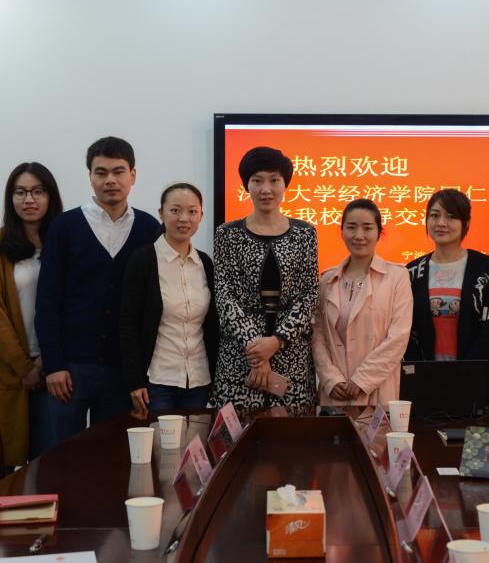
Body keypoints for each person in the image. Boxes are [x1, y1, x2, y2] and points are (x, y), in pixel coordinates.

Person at [35, 137, 160, 447]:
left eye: (118, 172)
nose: (110, 180)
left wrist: (141, 372)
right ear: (90, 176)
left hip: (123, 370)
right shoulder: (64, 226)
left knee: (113, 456)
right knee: (62, 457)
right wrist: (54, 364)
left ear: (133, 175)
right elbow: (47, 300)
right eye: (101, 172)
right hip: (71, 368)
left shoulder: (149, 228)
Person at [211, 146, 318, 409]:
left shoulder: (305, 234)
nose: (265, 189)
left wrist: (276, 341)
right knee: (238, 431)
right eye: (257, 180)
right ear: (247, 185)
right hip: (240, 358)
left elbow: (309, 295)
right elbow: (224, 295)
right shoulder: (227, 234)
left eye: (274, 180)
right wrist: (257, 351)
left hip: (290, 355)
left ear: (285, 184)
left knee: (290, 432)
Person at [0, 162, 63, 464]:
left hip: (54, 366)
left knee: (52, 461)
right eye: (20, 192)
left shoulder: (65, 241)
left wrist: (44, 360)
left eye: (38, 191)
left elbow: (72, 305)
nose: (29, 200)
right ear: (10, 198)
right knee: (6, 460)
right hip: (8, 368)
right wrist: (24, 367)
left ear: (50, 196)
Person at [119, 183, 219, 411]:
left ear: (201, 216)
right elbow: (128, 324)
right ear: (161, 214)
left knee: (195, 435)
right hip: (157, 380)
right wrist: (134, 381)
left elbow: (212, 325)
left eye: (192, 211)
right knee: (162, 436)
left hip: (198, 379)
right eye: (175, 210)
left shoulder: (204, 263)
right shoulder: (143, 260)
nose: (184, 218)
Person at [312, 199, 413, 406]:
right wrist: (330, 378)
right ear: (342, 231)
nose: (359, 235)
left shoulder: (397, 276)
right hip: (335, 393)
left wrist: (362, 380)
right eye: (351, 227)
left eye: (367, 228)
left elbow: (398, 337)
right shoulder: (327, 280)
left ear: (379, 232)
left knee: (376, 429)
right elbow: (318, 336)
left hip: (378, 390)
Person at [404, 188, 489, 363]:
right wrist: (422, 369)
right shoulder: (412, 271)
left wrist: (465, 370)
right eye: (434, 215)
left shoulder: (487, 268)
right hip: (424, 373)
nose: (441, 223)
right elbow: (405, 329)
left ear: (466, 223)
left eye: (451, 216)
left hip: (473, 373)